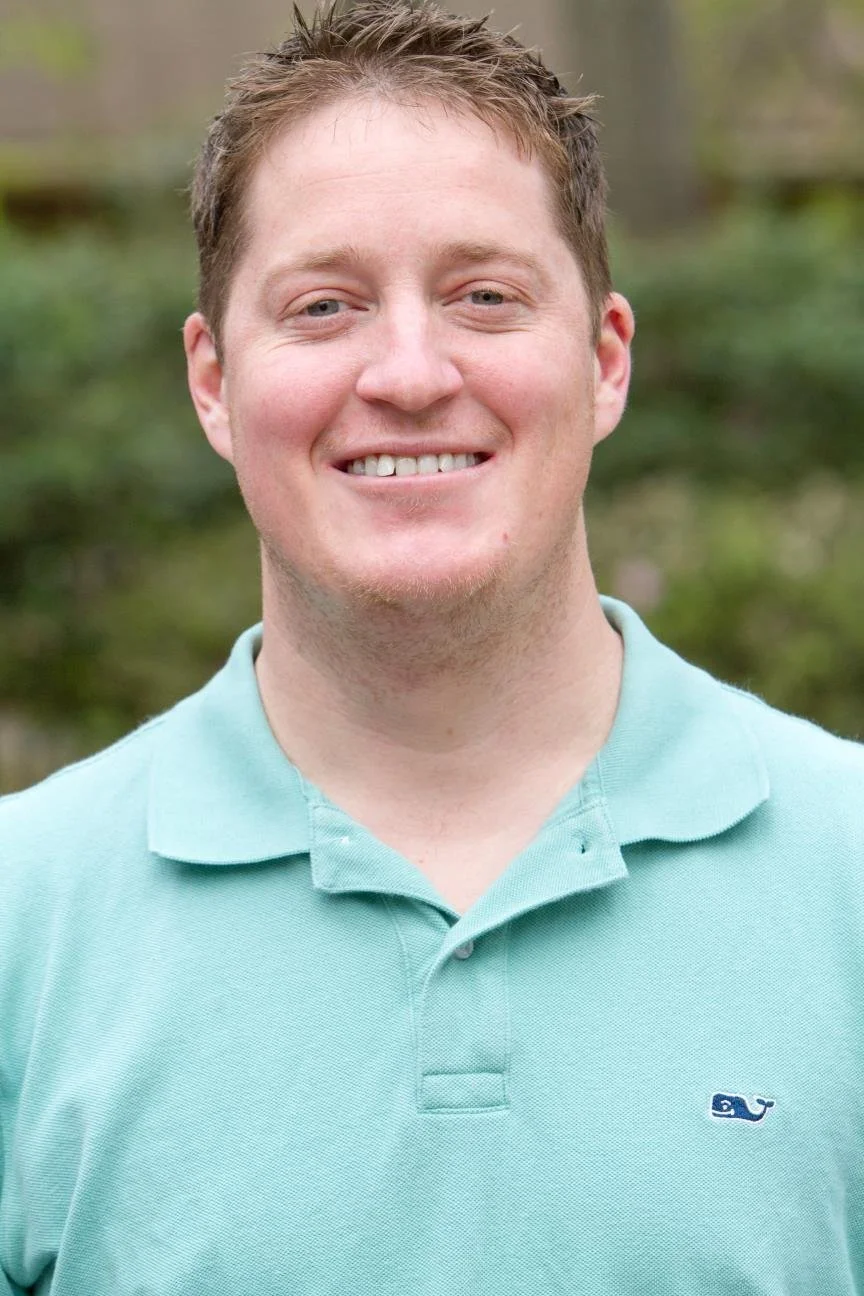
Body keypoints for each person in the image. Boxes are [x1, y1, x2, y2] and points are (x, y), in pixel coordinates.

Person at [2, 1, 863, 1291]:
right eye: (324, 305)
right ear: (212, 383)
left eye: (484, 295)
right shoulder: (24, 920)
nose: (408, 371)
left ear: (605, 359)